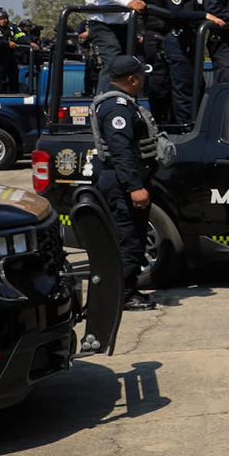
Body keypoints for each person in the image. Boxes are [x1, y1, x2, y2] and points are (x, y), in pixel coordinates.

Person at [90, 55, 162, 311]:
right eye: (141, 75)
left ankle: (127, 288)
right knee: (127, 239)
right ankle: (120, 295)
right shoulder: (117, 108)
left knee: (134, 237)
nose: (143, 79)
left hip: (125, 179)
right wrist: (134, 187)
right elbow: (121, 151)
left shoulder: (123, 103)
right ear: (132, 79)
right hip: (121, 182)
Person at [153, 0, 225, 126]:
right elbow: (176, 13)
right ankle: (185, 127)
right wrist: (204, 16)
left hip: (189, 42)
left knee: (196, 86)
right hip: (178, 41)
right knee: (184, 88)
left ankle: (194, 123)